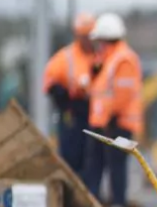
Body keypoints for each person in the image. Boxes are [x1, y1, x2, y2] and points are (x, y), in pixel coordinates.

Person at [82, 12, 143, 207]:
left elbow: (122, 94)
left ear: (106, 40)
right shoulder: (108, 59)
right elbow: (100, 91)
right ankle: (94, 202)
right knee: (96, 163)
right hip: (103, 123)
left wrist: (111, 118)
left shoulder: (124, 59)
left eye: (99, 41)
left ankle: (118, 205)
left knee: (116, 164)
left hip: (118, 123)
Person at [43, 12, 97, 173]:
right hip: (72, 114)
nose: (87, 40)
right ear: (77, 35)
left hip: (94, 113)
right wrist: (64, 99)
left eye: (90, 36)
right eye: (84, 36)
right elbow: (49, 83)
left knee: (92, 160)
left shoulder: (99, 57)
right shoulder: (65, 57)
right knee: (71, 156)